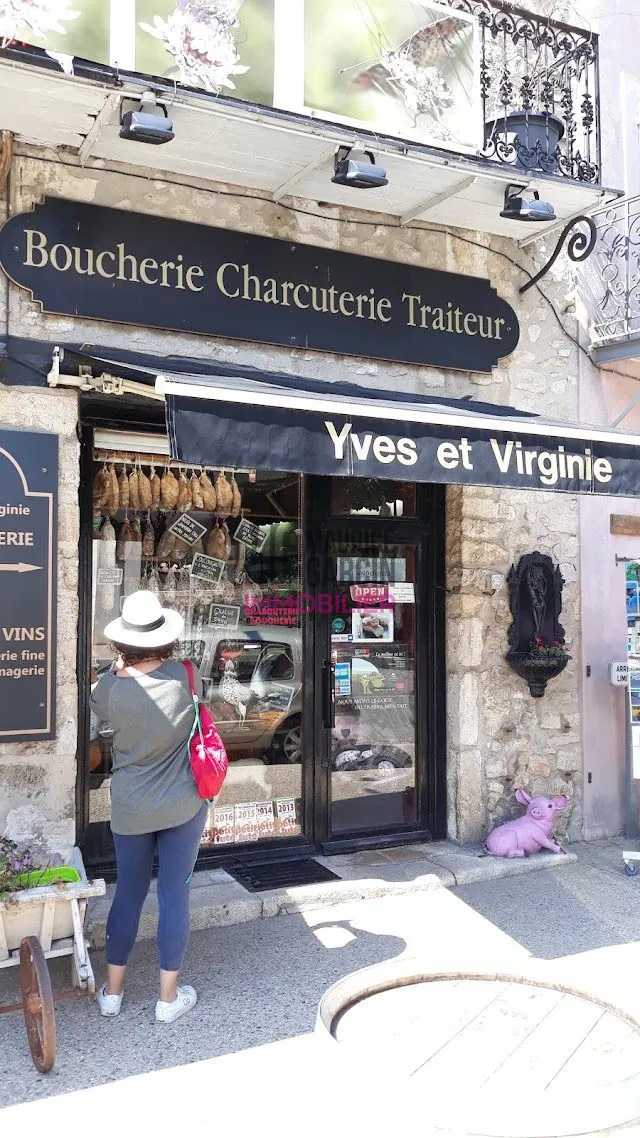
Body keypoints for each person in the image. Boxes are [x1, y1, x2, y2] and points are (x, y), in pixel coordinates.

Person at [90, 590, 207, 1024]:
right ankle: (167, 998)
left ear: (123, 644)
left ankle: (113, 993)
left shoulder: (108, 688)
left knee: (130, 893)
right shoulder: (186, 678)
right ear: (165, 638)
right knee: (175, 894)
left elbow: (99, 702)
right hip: (182, 802)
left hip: (130, 805)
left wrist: (116, 669)